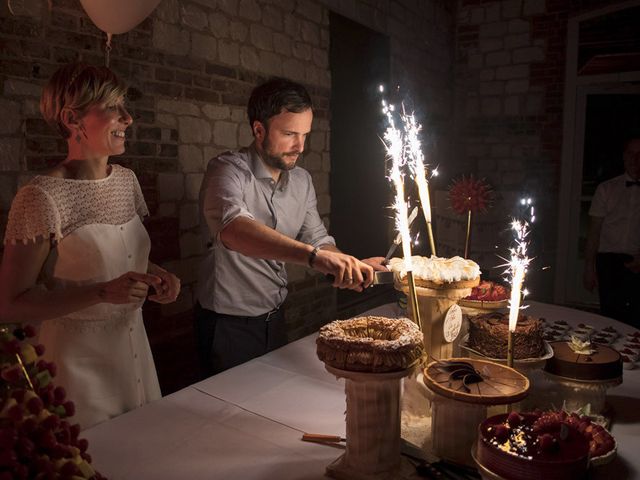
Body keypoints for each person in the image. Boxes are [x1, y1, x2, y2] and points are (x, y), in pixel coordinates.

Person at [0, 62, 181, 429]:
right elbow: (9, 303)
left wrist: (158, 277)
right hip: (76, 367)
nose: (128, 118)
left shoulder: (127, 181)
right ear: (72, 119)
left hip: (135, 353)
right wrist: (101, 292)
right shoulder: (41, 196)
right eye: (114, 107)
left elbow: (126, 257)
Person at [196, 77, 385, 375]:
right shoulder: (227, 170)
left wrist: (344, 263)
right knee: (229, 416)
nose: (300, 146)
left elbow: (317, 238)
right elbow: (234, 229)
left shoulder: (302, 180)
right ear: (259, 130)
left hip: (277, 318)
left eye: (305, 135)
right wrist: (313, 257)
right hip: (227, 325)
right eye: (289, 134)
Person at [583, 137, 640, 326]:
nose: (635, 159)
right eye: (631, 154)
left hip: (637, 259)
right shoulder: (607, 188)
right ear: (625, 157)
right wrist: (589, 267)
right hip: (609, 261)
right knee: (610, 318)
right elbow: (594, 231)